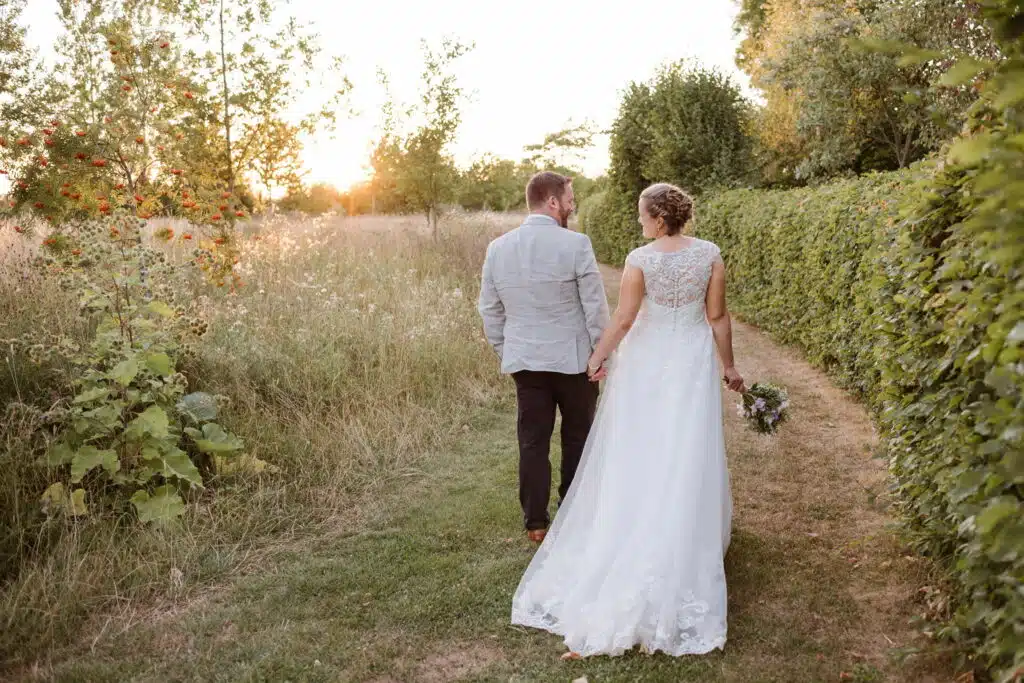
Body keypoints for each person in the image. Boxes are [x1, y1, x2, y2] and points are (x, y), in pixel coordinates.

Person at [510, 182, 746, 658]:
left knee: (640, 446)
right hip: (691, 360)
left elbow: (623, 320)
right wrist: (729, 366)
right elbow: (718, 318)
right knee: (685, 446)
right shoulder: (710, 254)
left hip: (647, 361)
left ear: (658, 218)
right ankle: (683, 531)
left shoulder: (641, 259)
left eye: (642, 213)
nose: (639, 220)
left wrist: (596, 358)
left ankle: (637, 528)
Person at [477, 171, 610, 543]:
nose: (572, 205)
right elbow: (595, 307)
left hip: (525, 362)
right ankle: (572, 514)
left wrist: (507, 349)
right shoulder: (577, 244)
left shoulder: (498, 248)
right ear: (552, 201)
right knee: (577, 437)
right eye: (569, 198)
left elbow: (489, 309)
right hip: (575, 361)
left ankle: (535, 522)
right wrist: (600, 355)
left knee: (532, 441)